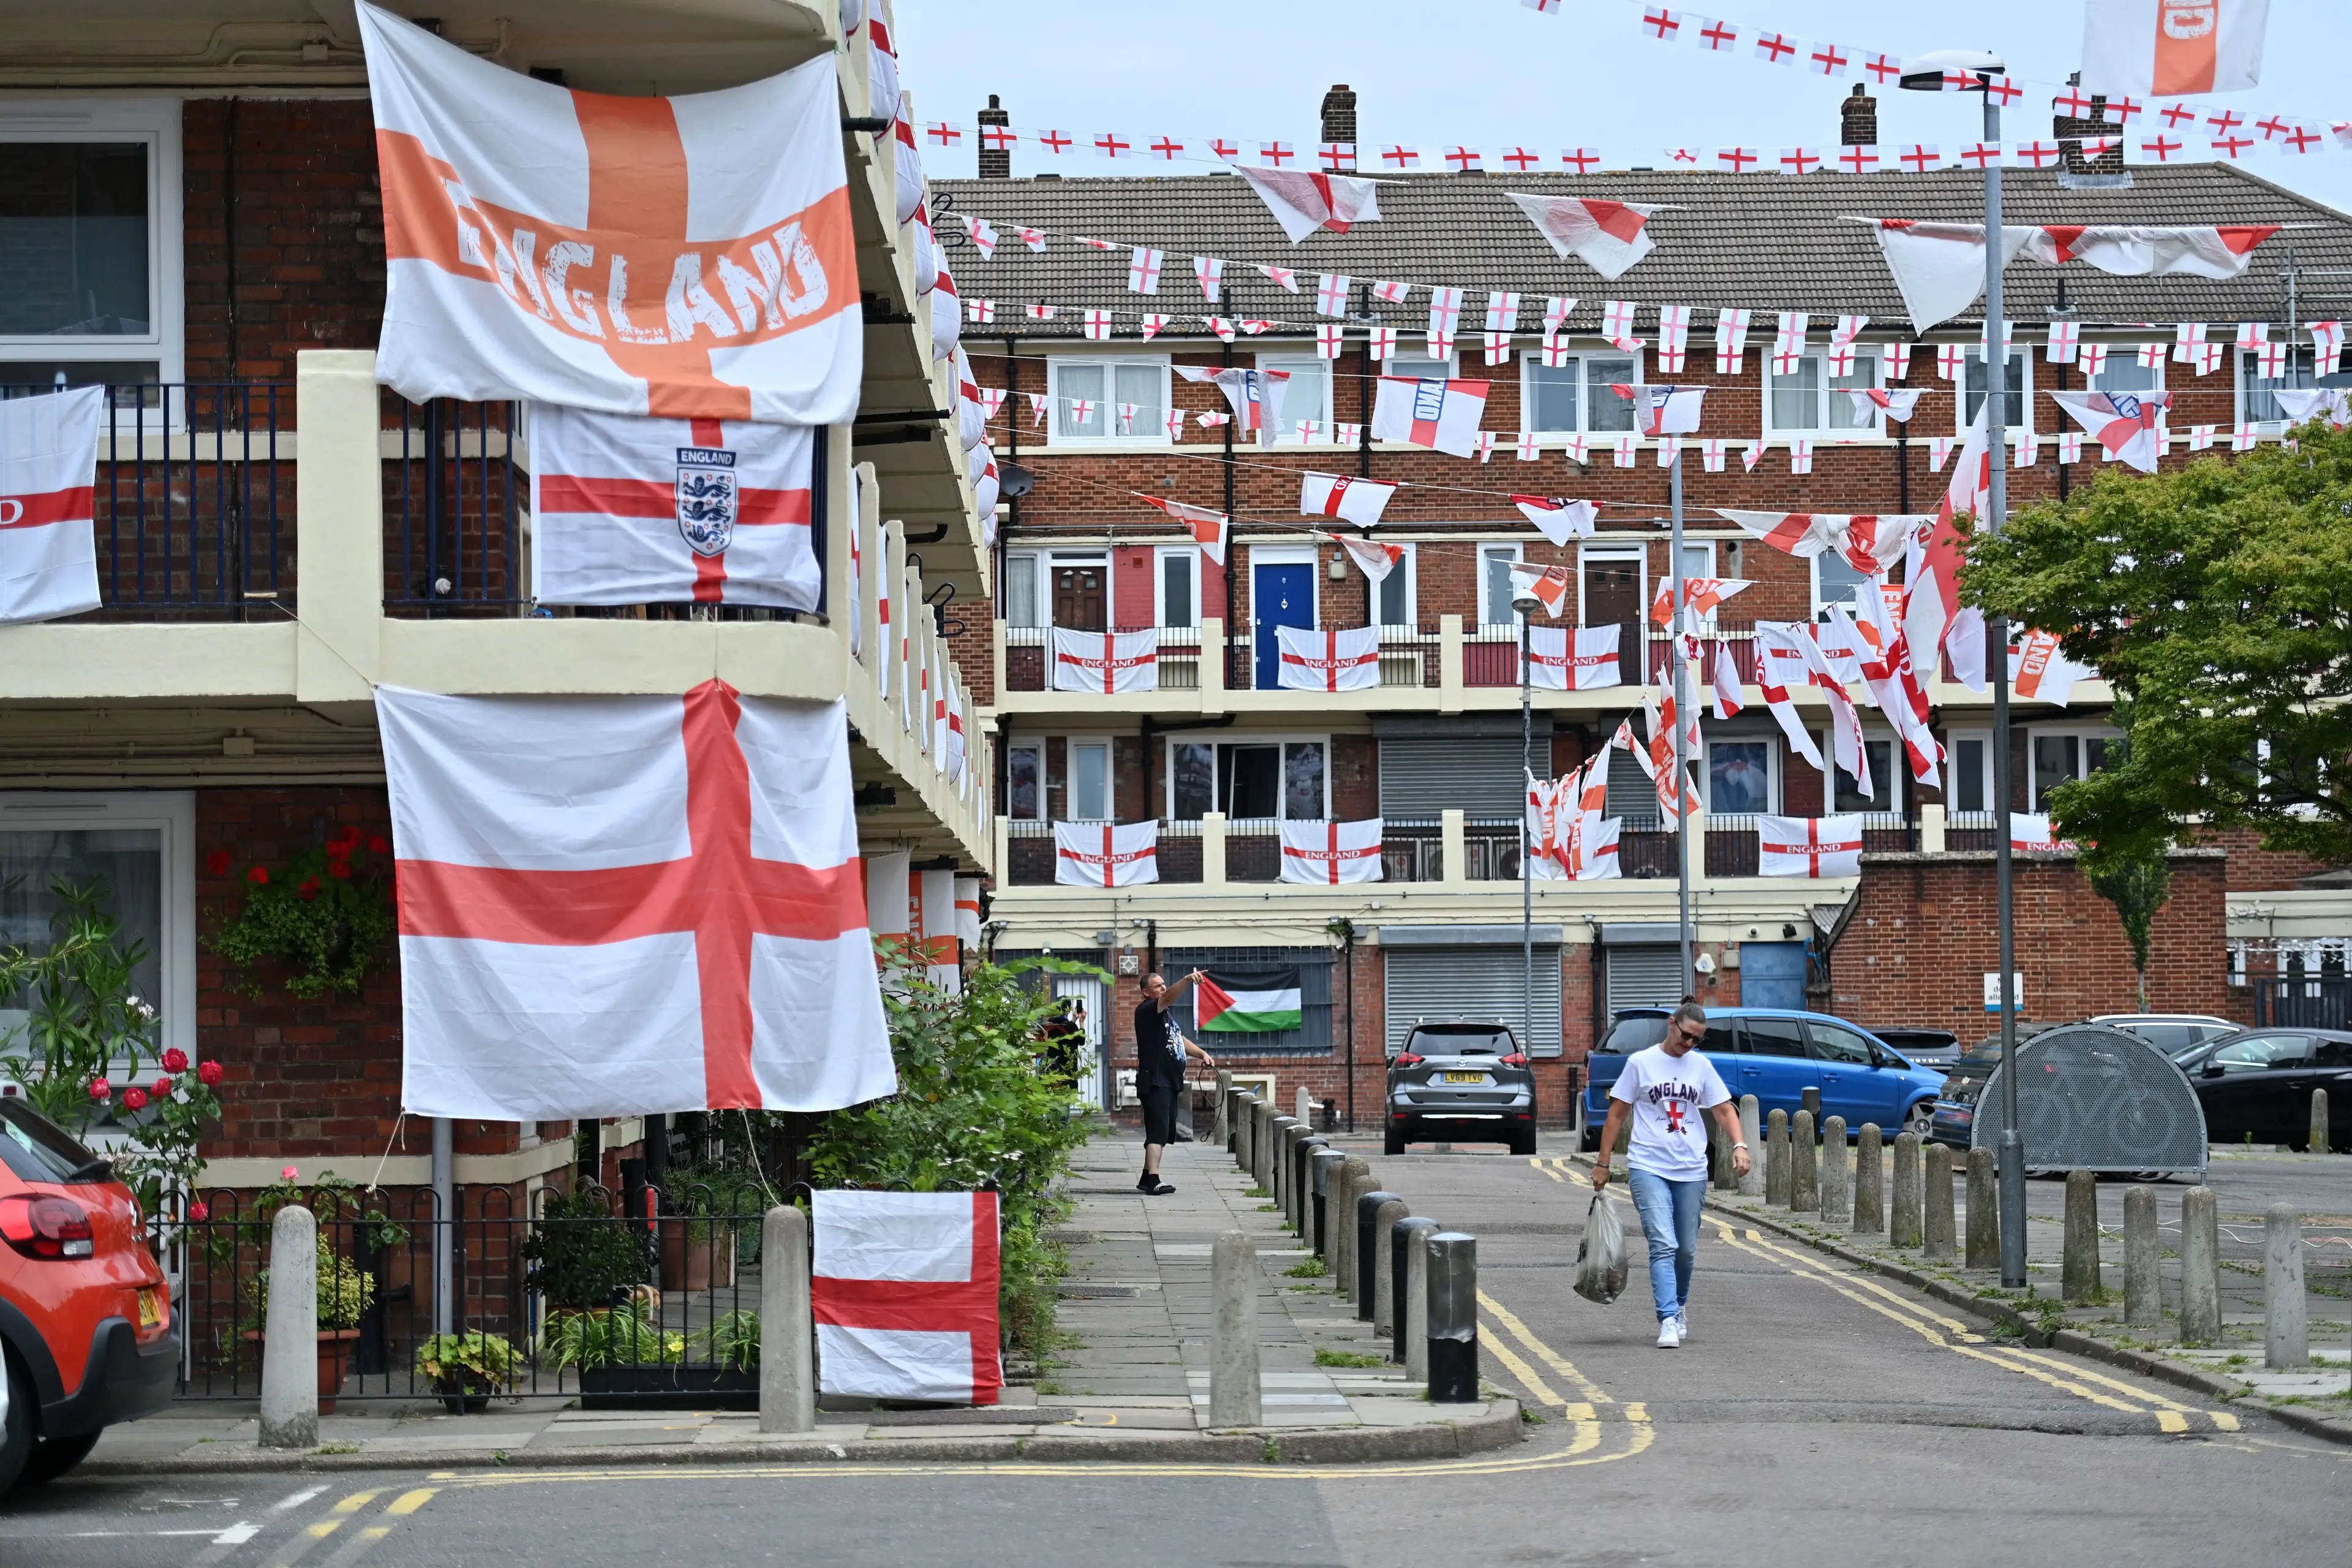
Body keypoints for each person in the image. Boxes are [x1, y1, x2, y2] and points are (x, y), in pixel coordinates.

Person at [1589, 1001, 1750, 1349]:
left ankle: (1680, 1306)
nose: (1690, 1044)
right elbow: (1617, 1115)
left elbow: (1724, 1109)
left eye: (1698, 1040)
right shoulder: (1640, 1063)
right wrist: (1603, 1164)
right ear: (1671, 1024)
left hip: (1691, 1168)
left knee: (1687, 1250)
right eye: (1687, 1036)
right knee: (1663, 1245)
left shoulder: (1701, 1066)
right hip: (1648, 1164)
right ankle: (1667, 1318)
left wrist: (1740, 1145)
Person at [1133, 970, 1214, 1195]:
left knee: (1166, 1131)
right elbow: (1167, 998)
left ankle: (1146, 1175)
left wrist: (1201, 1054)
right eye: (1158, 986)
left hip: (1169, 1081)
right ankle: (1153, 1181)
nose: (1163, 988)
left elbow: (1179, 1038)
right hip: (1155, 1081)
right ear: (1146, 992)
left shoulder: (1165, 1015)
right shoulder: (1147, 1010)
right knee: (1157, 1132)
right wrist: (1187, 979)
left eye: (1164, 984)